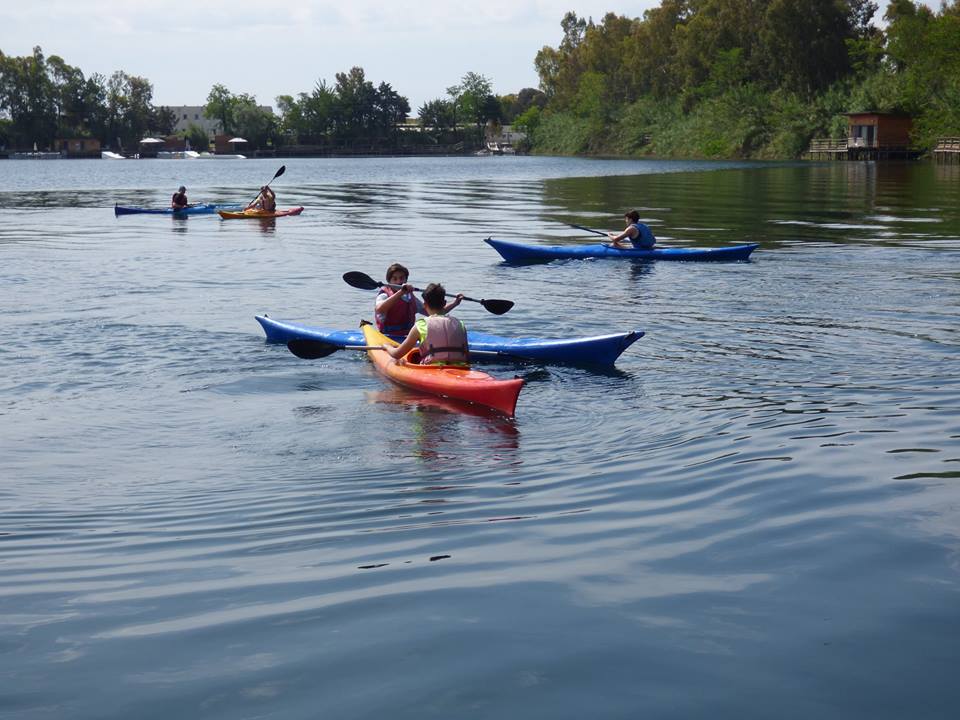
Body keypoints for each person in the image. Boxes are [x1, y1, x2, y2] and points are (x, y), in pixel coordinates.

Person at [384, 283, 468, 366]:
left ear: (425, 305)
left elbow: (397, 354)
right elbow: (466, 355)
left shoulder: (421, 325)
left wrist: (387, 347)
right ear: (444, 303)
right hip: (461, 368)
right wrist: (455, 303)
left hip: (432, 370)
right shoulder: (460, 324)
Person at [375, 263, 462, 336]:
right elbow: (380, 309)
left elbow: (434, 312)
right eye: (395, 279)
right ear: (389, 281)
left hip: (407, 336)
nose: (398, 281)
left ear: (406, 279)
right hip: (387, 336)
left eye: (402, 278)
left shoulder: (411, 298)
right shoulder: (384, 295)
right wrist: (401, 292)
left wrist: (455, 303)